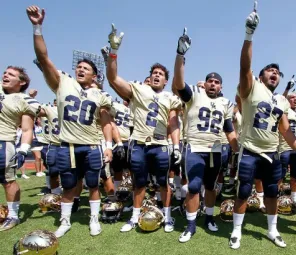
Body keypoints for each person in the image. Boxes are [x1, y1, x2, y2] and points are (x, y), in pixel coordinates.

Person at [229, 3, 296, 249]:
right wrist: (249, 36)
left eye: (278, 72)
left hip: (273, 153)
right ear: (262, 75)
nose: (275, 74)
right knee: (244, 190)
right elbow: (244, 66)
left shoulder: (282, 100)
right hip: (250, 149)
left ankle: (272, 230)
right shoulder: (251, 87)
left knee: (273, 192)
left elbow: (285, 128)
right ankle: (236, 230)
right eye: (270, 70)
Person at [28, 5, 114, 237]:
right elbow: (43, 58)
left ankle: (94, 220)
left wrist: (108, 146)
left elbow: (106, 121)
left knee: (94, 185)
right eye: (79, 66)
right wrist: (37, 27)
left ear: (94, 75)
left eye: (85, 68)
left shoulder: (99, 94)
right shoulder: (63, 83)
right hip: (67, 145)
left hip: (91, 145)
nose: (80, 69)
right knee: (68, 186)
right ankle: (64, 221)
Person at [105, 24, 182, 233]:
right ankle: (134, 216)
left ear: (166, 81)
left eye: (160, 74)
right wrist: (113, 54)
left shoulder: (169, 97)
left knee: (164, 183)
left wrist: (175, 146)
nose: (157, 75)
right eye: (154, 73)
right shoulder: (139, 89)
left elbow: (173, 122)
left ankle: (167, 217)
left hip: (160, 145)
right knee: (139, 183)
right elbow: (113, 79)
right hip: (139, 144)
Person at [172, 28, 239, 242]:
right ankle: (191, 224)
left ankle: (209, 218)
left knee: (210, 186)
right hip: (194, 147)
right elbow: (179, 84)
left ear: (221, 86)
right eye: (210, 80)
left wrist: (237, 148)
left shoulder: (225, 103)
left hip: (215, 149)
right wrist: (180, 55)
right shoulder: (194, 95)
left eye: (216, 82)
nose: (212, 84)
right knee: (193, 186)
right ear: (205, 83)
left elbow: (228, 128)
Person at [0, 66, 40, 231]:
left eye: (11, 74)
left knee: (8, 181)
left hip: (3, 141)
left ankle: (13, 215)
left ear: (21, 81)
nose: (5, 75)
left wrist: (23, 149)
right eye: (5, 72)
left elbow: (26, 129)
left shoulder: (24, 100)